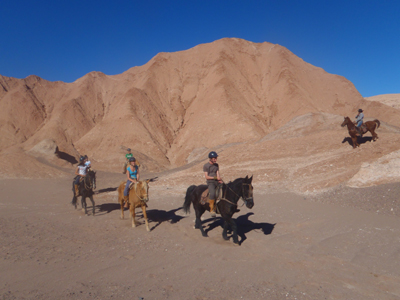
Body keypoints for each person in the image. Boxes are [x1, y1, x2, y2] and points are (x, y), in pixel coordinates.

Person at [203, 151, 223, 217]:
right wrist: (215, 177)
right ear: (210, 158)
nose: (215, 159)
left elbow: (217, 173)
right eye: (214, 158)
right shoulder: (206, 166)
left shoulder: (216, 165)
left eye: (216, 158)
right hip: (210, 182)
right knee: (213, 193)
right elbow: (207, 177)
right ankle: (212, 209)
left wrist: (219, 179)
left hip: (216, 181)